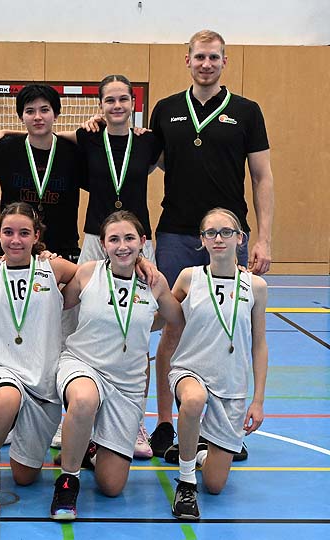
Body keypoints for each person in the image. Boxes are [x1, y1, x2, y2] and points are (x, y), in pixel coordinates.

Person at [0, 76, 163, 457]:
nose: (116, 106)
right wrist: (9, 133)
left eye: (123, 99)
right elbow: (49, 134)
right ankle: (65, 412)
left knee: (134, 330)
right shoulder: (87, 138)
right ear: (99, 106)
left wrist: (140, 252)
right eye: (109, 100)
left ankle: (134, 421)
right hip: (95, 239)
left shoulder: (148, 141)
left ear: (134, 103)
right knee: (73, 326)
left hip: (134, 241)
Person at [149, 30, 274, 458]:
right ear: (187, 60)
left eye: (214, 57)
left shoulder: (247, 112)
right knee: (172, 328)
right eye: (199, 57)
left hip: (227, 235)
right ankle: (165, 423)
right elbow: (142, 155)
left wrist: (263, 238)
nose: (206, 64)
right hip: (176, 232)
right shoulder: (166, 110)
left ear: (225, 61)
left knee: (226, 328)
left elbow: (262, 176)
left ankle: (219, 427)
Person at [51, 211, 182, 520]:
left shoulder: (154, 283)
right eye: (114, 239)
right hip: (84, 365)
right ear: (103, 244)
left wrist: (145, 320)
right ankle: (68, 481)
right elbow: (56, 302)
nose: (122, 246)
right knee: (84, 399)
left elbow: (176, 318)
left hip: (126, 383)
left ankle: (89, 449)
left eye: (129, 238)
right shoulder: (88, 273)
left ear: (143, 242)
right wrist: (46, 261)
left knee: (112, 486)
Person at [0, 202, 77, 515]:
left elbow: (95, 276)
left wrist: (139, 263)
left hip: (41, 382)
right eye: (8, 232)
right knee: (6, 398)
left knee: (25, 477)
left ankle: (82, 447)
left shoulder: (53, 268)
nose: (15, 240)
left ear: (37, 236)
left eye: (24, 233)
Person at [156, 208, 268, 520]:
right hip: (189, 371)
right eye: (211, 233)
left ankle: (199, 452)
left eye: (226, 232)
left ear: (240, 238)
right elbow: (164, 318)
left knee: (216, 485)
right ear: (202, 240)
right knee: (193, 400)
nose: (219, 238)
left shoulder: (256, 287)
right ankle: (186, 483)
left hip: (231, 385)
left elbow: (259, 344)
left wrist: (258, 401)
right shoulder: (189, 278)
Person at [0, 84, 85, 262]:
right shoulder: (5, 149)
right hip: (12, 251)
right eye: (30, 111)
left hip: (62, 252)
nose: (37, 117)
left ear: (56, 114)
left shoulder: (74, 153)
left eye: (44, 110)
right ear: (21, 116)